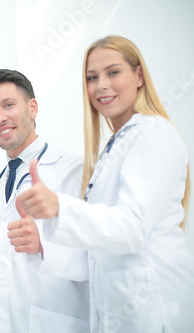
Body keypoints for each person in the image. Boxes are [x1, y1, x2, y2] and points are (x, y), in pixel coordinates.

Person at [16, 35, 194, 332]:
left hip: (158, 308)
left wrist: (59, 206)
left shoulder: (153, 134)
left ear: (138, 76)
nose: (101, 85)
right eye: (92, 77)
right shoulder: (115, 147)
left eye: (113, 72)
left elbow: (131, 228)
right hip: (123, 311)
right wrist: (43, 246)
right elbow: (100, 251)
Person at [0, 69, 90, 332]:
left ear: (33, 108)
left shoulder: (74, 171)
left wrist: (43, 246)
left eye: (8, 105)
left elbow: (100, 255)